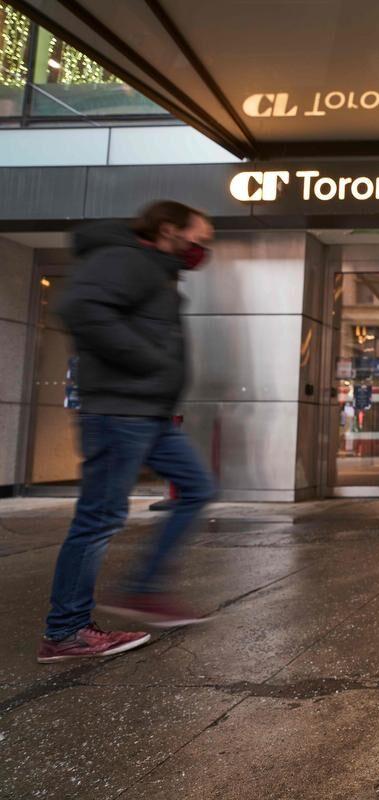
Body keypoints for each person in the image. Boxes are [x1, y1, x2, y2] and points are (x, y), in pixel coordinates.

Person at [38, 200, 217, 664]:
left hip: (149, 413)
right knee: (99, 518)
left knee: (196, 488)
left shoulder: (155, 269)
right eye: (198, 239)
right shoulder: (124, 259)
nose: (201, 249)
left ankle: (143, 589)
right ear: (168, 229)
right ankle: (66, 630)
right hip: (120, 410)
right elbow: (79, 309)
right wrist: (150, 363)